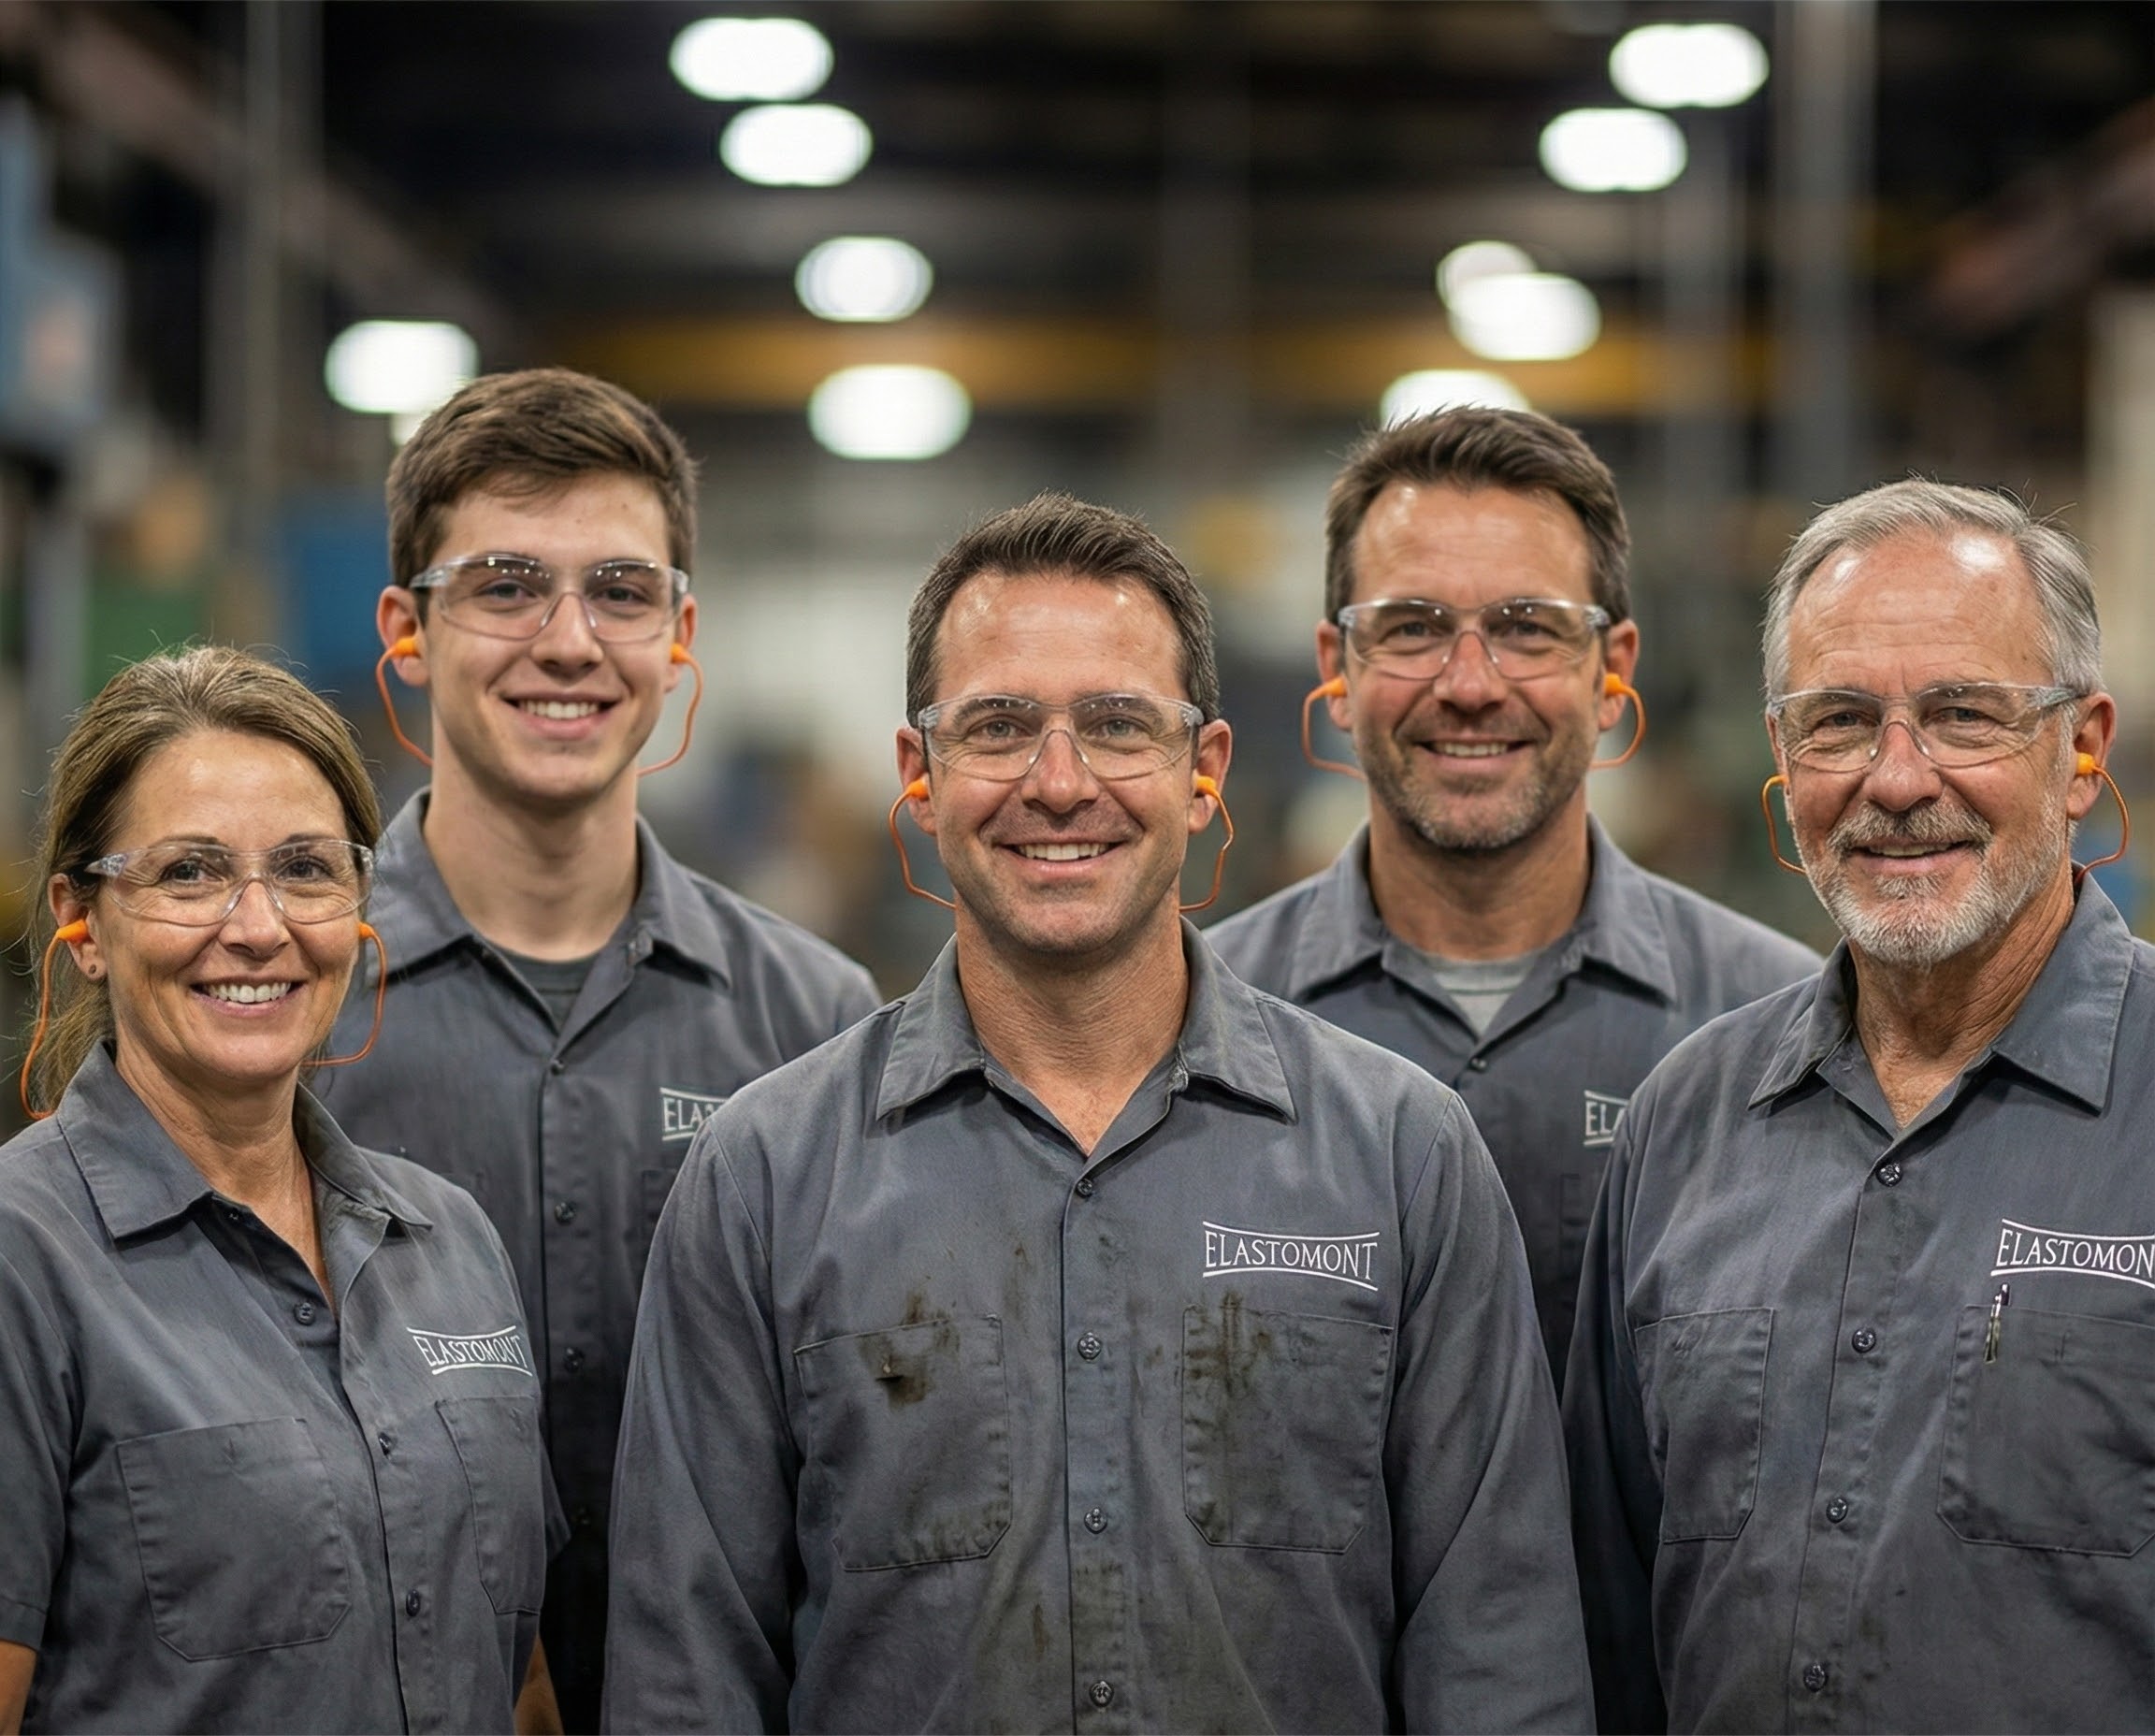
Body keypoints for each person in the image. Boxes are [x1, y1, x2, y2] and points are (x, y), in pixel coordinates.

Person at [603, 493, 1591, 1733]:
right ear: (921, 775)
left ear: (1204, 774)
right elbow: (686, 1681)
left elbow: (1500, 1661)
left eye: (1119, 726)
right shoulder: (763, 1179)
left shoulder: (1402, 1158)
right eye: (999, 727)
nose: (1058, 784)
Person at [315, 368, 882, 1730]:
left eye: (622, 592)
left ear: (682, 630)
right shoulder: (290, 1007)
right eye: (507, 585)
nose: (569, 641)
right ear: (408, 628)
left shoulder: (817, 1022)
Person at [1565, 480, 2144, 1732]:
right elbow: (1606, 1621)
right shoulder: (1685, 1126)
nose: (1895, 779)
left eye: (1962, 716)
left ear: (2083, 750)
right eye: (1838, 722)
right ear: (1783, 756)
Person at [0, 646, 562, 1733]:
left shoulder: (447, 1241)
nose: (258, 925)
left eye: (306, 867)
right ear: (83, 921)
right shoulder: (25, 1258)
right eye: (190, 872)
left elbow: (519, 1681)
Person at [1208, 408, 1818, 1378]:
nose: (1469, 682)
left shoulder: (1779, 1032)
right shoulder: (1207, 1023)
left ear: (1612, 670)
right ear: (1337, 667)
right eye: (1412, 627)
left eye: (1525, 627)